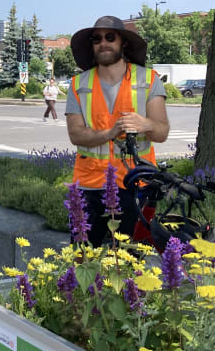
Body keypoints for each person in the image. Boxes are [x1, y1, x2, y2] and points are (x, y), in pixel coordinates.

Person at [65, 16, 170, 247]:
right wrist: (110, 133)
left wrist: (147, 124)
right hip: (88, 185)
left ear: (123, 42)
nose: (103, 43)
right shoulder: (78, 84)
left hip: (135, 185)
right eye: (97, 38)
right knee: (82, 258)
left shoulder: (148, 80)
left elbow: (161, 132)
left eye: (110, 37)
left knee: (131, 262)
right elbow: (76, 135)